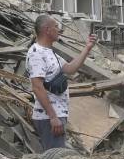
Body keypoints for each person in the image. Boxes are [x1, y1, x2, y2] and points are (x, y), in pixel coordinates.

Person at [27, 15, 96, 149]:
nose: (59, 30)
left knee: (57, 158)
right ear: (47, 30)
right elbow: (37, 87)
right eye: (56, 26)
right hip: (48, 118)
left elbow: (70, 68)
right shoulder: (36, 53)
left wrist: (87, 48)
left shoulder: (49, 52)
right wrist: (53, 117)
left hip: (57, 115)